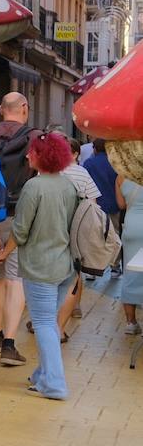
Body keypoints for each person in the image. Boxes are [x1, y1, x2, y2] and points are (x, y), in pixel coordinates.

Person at [0, 133, 79, 400]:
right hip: (65, 265)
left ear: (42, 156)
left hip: (40, 266)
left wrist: (3, 254)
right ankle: (42, 376)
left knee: (42, 323)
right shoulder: (68, 185)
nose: (28, 155)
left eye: (32, 152)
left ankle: (54, 384)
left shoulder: (34, 187)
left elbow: (20, 230)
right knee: (49, 323)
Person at [0, 92, 40, 366]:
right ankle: (10, 344)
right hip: (20, 214)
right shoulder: (34, 137)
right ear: (24, 108)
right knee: (16, 278)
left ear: (2, 110)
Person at [55, 139, 100, 337]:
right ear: (75, 155)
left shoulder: (49, 171)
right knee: (74, 275)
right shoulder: (82, 173)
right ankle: (67, 317)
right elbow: (93, 203)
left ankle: (48, 321)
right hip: (76, 229)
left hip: (51, 229)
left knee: (51, 276)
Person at [83, 139, 121, 277]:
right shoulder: (115, 163)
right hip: (113, 204)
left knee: (93, 237)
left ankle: (92, 269)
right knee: (114, 235)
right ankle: (115, 267)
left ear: (94, 148)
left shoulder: (88, 163)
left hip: (94, 206)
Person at [115, 173, 142, 335]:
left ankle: (131, 323)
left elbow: (121, 205)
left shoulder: (120, 177)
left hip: (131, 227)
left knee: (130, 272)